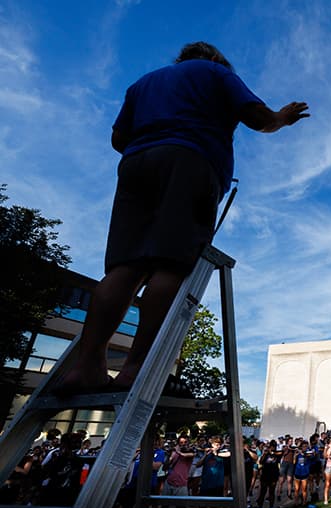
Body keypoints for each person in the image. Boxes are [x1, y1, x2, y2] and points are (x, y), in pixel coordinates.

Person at [55, 41, 308, 396]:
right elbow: (257, 117)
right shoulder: (215, 73)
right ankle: (136, 368)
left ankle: (87, 365)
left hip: (135, 166)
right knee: (171, 265)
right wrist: (281, 118)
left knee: (124, 269)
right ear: (215, 59)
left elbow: (117, 138)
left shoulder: (143, 83)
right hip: (190, 161)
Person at [150, 434, 195, 508]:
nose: (182, 444)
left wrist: (177, 451)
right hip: (169, 482)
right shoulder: (174, 453)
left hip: (181, 484)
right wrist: (169, 455)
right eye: (181, 442)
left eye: (185, 442)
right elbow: (165, 467)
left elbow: (186, 455)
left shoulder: (190, 452)